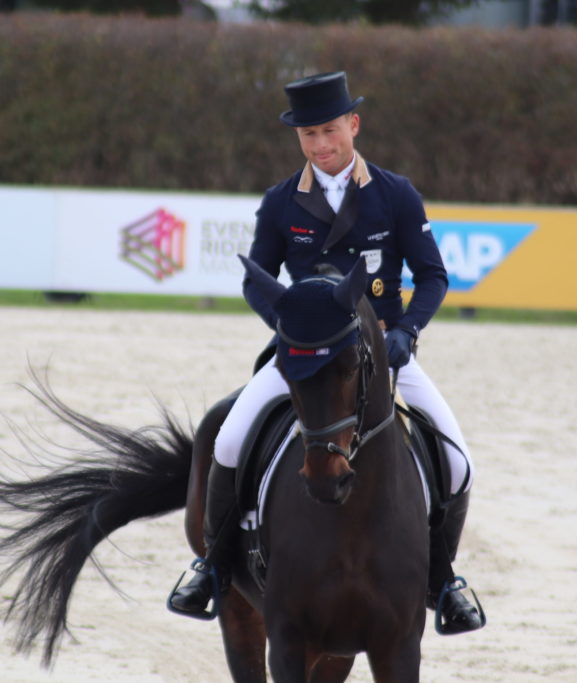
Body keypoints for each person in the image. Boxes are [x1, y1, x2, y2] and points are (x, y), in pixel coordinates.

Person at [169, 71, 485, 634]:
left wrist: (406, 333)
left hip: (383, 350)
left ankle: (442, 579)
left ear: (353, 125)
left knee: (458, 460)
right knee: (230, 438)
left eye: (330, 130)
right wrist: (287, 327)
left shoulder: (395, 194)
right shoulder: (281, 202)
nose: (321, 145)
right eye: (309, 134)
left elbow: (433, 276)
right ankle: (213, 566)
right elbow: (256, 280)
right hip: (304, 354)